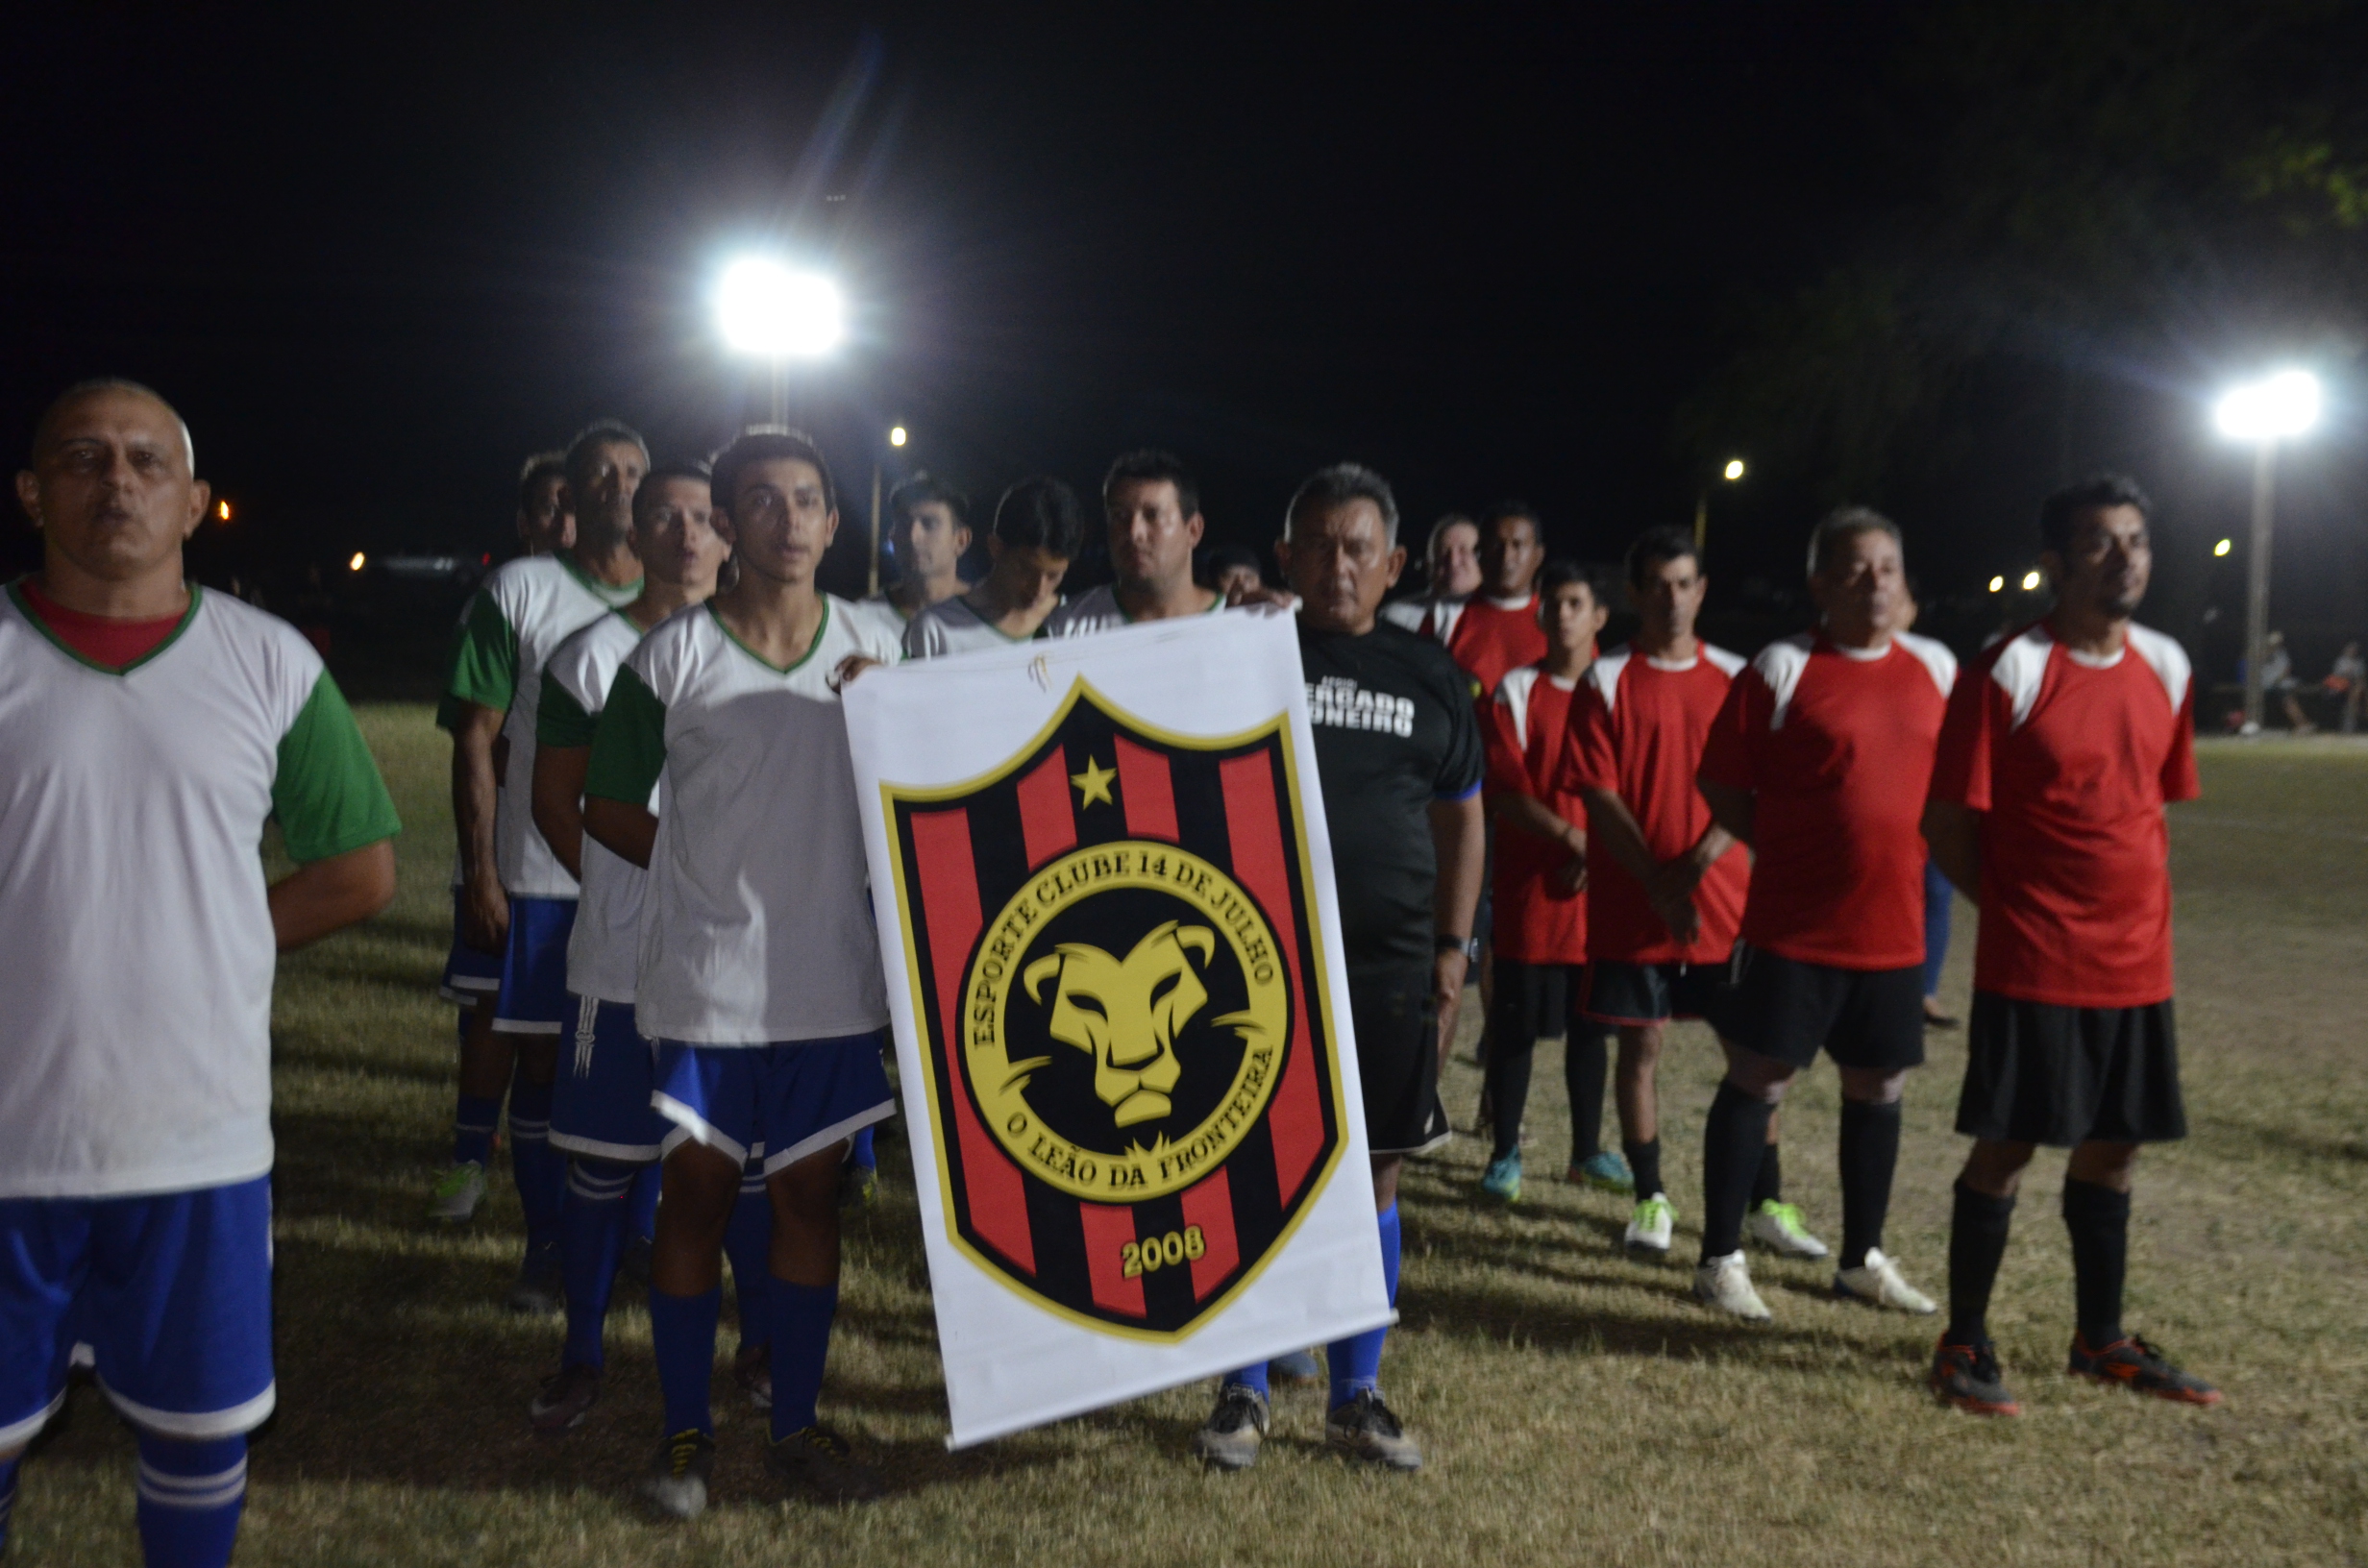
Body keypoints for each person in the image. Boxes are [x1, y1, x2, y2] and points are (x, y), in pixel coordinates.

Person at [1, 380, 400, 1567]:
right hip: (8, 1144)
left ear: (194, 503)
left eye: (144, 462)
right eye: (80, 459)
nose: (114, 481)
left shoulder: (267, 661)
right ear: (32, 495)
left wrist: (202, 934)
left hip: (199, 1147)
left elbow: (360, 872)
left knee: (197, 1435)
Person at [582, 429, 903, 1514]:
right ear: (726, 523)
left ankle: (799, 1421)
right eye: (760, 501)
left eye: (807, 499)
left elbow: (966, 762)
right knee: (698, 1195)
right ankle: (683, 1433)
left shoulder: (881, 646)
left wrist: (887, 716)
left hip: (829, 978)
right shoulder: (668, 658)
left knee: (814, 1195)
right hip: (709, 981)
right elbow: (608, 807)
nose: (789, 518)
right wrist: (701, 877)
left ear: (832, 519)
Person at [1191, 463, 1485, 1475]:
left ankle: (1355, 1392)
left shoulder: (1434, 676)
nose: (1336, 563)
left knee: (1375, 1173)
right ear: (1284, 555)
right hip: (1253, 961)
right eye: (1315, 543)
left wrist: (1454, 950)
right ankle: (1243, 1384)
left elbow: (1462, 819)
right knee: (1250, 1168)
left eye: (1357, 545)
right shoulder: (1239, 650)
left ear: (1393, 562)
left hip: (1390, 965)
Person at [1924, 475, 2219, 1416]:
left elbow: (2147, 807)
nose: (2125, 557)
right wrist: (2015, 911)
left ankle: (2100, 1338)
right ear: (2054, 564)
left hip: (2138, 964)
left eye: (2136, 540)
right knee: (2007, 1149)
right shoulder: (2005, 670)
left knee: (2115, 1149)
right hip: (2037, 962)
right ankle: (1962, 1338)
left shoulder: (2166, 664)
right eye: (2101, 542)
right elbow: (1945, 826)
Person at [524, 461, 753, 1433]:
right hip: (621, 956)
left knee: (732, 1161)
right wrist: (650, 894)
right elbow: (552, 802)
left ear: (730, 531)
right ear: (635, 526)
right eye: (666, 514)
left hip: (734, 963)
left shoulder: (761, 651)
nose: (686, 532)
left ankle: (765, 1347)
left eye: (705, 517)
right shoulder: (588, 654)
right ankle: (582, 1351)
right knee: (603, 1162)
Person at [1690, 508, 1956, 1321]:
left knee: (1879, 1086)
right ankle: (1720, 1259)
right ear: (1820, 584)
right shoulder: (1781, 667)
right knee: (1759, 1079)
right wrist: (1791, 842)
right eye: (1853, 567)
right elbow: (1722, 780)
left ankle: (1861, 1258)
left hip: (1892, 930)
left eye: (1887, 566)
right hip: (1794, 928)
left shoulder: (1936, 668)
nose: (1874, 581)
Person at [431, 421, 646, 1321]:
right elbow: (475, 739)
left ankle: (635, 1242)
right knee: (550, 1065)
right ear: (574, 492)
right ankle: (544, 1244)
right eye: (601, 473)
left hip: (654, 872)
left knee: (643, 1064)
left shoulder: (694, 596)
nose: (620, 487)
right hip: (545, 876)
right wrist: (482, 871)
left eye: (635, 472)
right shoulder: (519, 589)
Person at [1557, 527, 1809, 1262]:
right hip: (1635, 909)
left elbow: (1756, 785)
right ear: (1633, 594)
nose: (1672, 598)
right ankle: (1651, 1198)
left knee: (1755, 1056)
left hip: (1723, 905)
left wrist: (1692, 869)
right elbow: (1599, 793)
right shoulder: (1604, 680)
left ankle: (1767, 1205)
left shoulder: (1740, 676)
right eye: (1657, 585)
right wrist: (1655, 883)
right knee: (1642, 1049)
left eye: (1685, 584)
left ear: (1702, 591)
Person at [1474, 559, 1627, 1202]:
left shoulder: (1621, 689)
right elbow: (1505, 791)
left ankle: (1585, 1151)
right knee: (1514, 1029)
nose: (1563, 614)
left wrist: (1611, 849)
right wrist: (1573, 838)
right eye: (1554, 604)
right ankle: (1505, 1151)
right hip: (1531, 894)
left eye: (1576, 603)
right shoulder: (1514, 690)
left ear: (1599, 617)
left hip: (1600, 896)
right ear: (1539, 616)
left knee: (1591, 1029)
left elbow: (1640, 784)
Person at [903, 476, 1085, 657]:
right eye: (1026, 570)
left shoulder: (1076, 627)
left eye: (1054, 576)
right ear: (995, 548)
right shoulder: (936, 630)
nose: (1039, 590)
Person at [1044, 450, 1222, 634]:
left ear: (1193, 530)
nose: (1134, 532)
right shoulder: (1064, 628)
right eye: (1120, 516)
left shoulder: (1238, 621)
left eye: (1152, 515)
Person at [1443, 501, 1548, 699]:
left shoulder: (1559, 619)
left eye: (1517, 545)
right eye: (1496, 545)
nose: (1506, 556)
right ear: (1479, 553)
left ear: (1538, 555)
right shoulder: (1445, 617)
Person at [854, 472, 972, 637]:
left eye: (929, 524)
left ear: (961, 540)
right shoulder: (861, 619)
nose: (914, 536)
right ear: (892, 537)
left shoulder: (987, 619)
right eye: (904, 524)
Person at [1379, 512, 1481, 640]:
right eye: (1443, 552)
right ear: (1429, 563)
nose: (1453, 561)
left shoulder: (1497, 618)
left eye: (1464, 550)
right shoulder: (1396, 617)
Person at [516, 450, 574, 556]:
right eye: (550, 511)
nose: (565, 525)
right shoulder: (511, 573)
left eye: (573, 511)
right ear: (524, 524)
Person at [2261, 630, 2313, 733]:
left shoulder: (2281, 652)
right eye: (2275, 642)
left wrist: (2281, 679)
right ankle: (2302, 725)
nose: (2277, 644)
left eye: (2279, 642)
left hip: (2282, 684)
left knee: (2294, 697)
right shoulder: (2262, 652)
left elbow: (2287, 669)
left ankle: (2304, 724)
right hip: (2268, 685)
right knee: (2289, 701)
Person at [1201, 541, 1265, 599]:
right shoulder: (1199, 610)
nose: (1242, 586)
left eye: (1249, 578)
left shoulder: (1270, 606)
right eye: (1230, 576)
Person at [2330, 640, 2366, 733]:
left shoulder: (2359, 662)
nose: (2352, 651)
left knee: (2360, 688)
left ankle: (2364, 709)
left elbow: (2361, 677)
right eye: (2350, 649)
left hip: (2355, 688)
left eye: (2354, 650)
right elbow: (2337, 676)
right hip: (2340, 687)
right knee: (2353, 698)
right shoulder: (2341, 661)